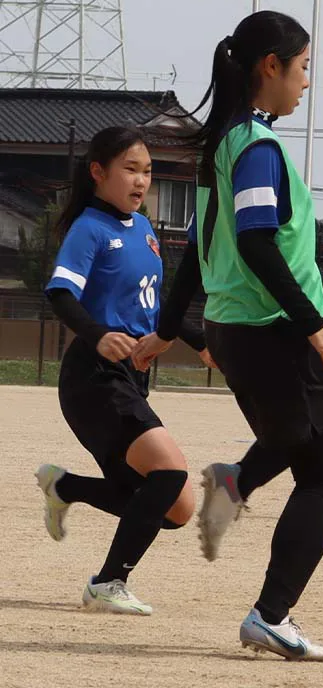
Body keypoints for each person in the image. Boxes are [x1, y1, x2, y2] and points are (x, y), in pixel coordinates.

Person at [136, 10, 323, 661]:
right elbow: (257, 243)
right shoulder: (258, 147)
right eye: (304, 67)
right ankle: (270, 615)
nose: (307, 82)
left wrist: (163, 330)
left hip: (239, 331)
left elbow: (195, 248)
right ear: (271, 67)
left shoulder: (225, 145)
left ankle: (237, 480)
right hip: (274, 333)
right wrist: (314, 324)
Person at [35, 126, 197, 616]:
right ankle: (107, 583)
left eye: (148, 171)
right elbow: (60, 292)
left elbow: (155, 303)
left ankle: (67, 487)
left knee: (178, 509)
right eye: (130, 169)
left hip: (130, 378)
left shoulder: (144, 228)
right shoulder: (90, 228)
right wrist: (98, 334)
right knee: (169, 471)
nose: (142, 180)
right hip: (93, 378)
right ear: (98, 172)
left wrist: (201, 341)